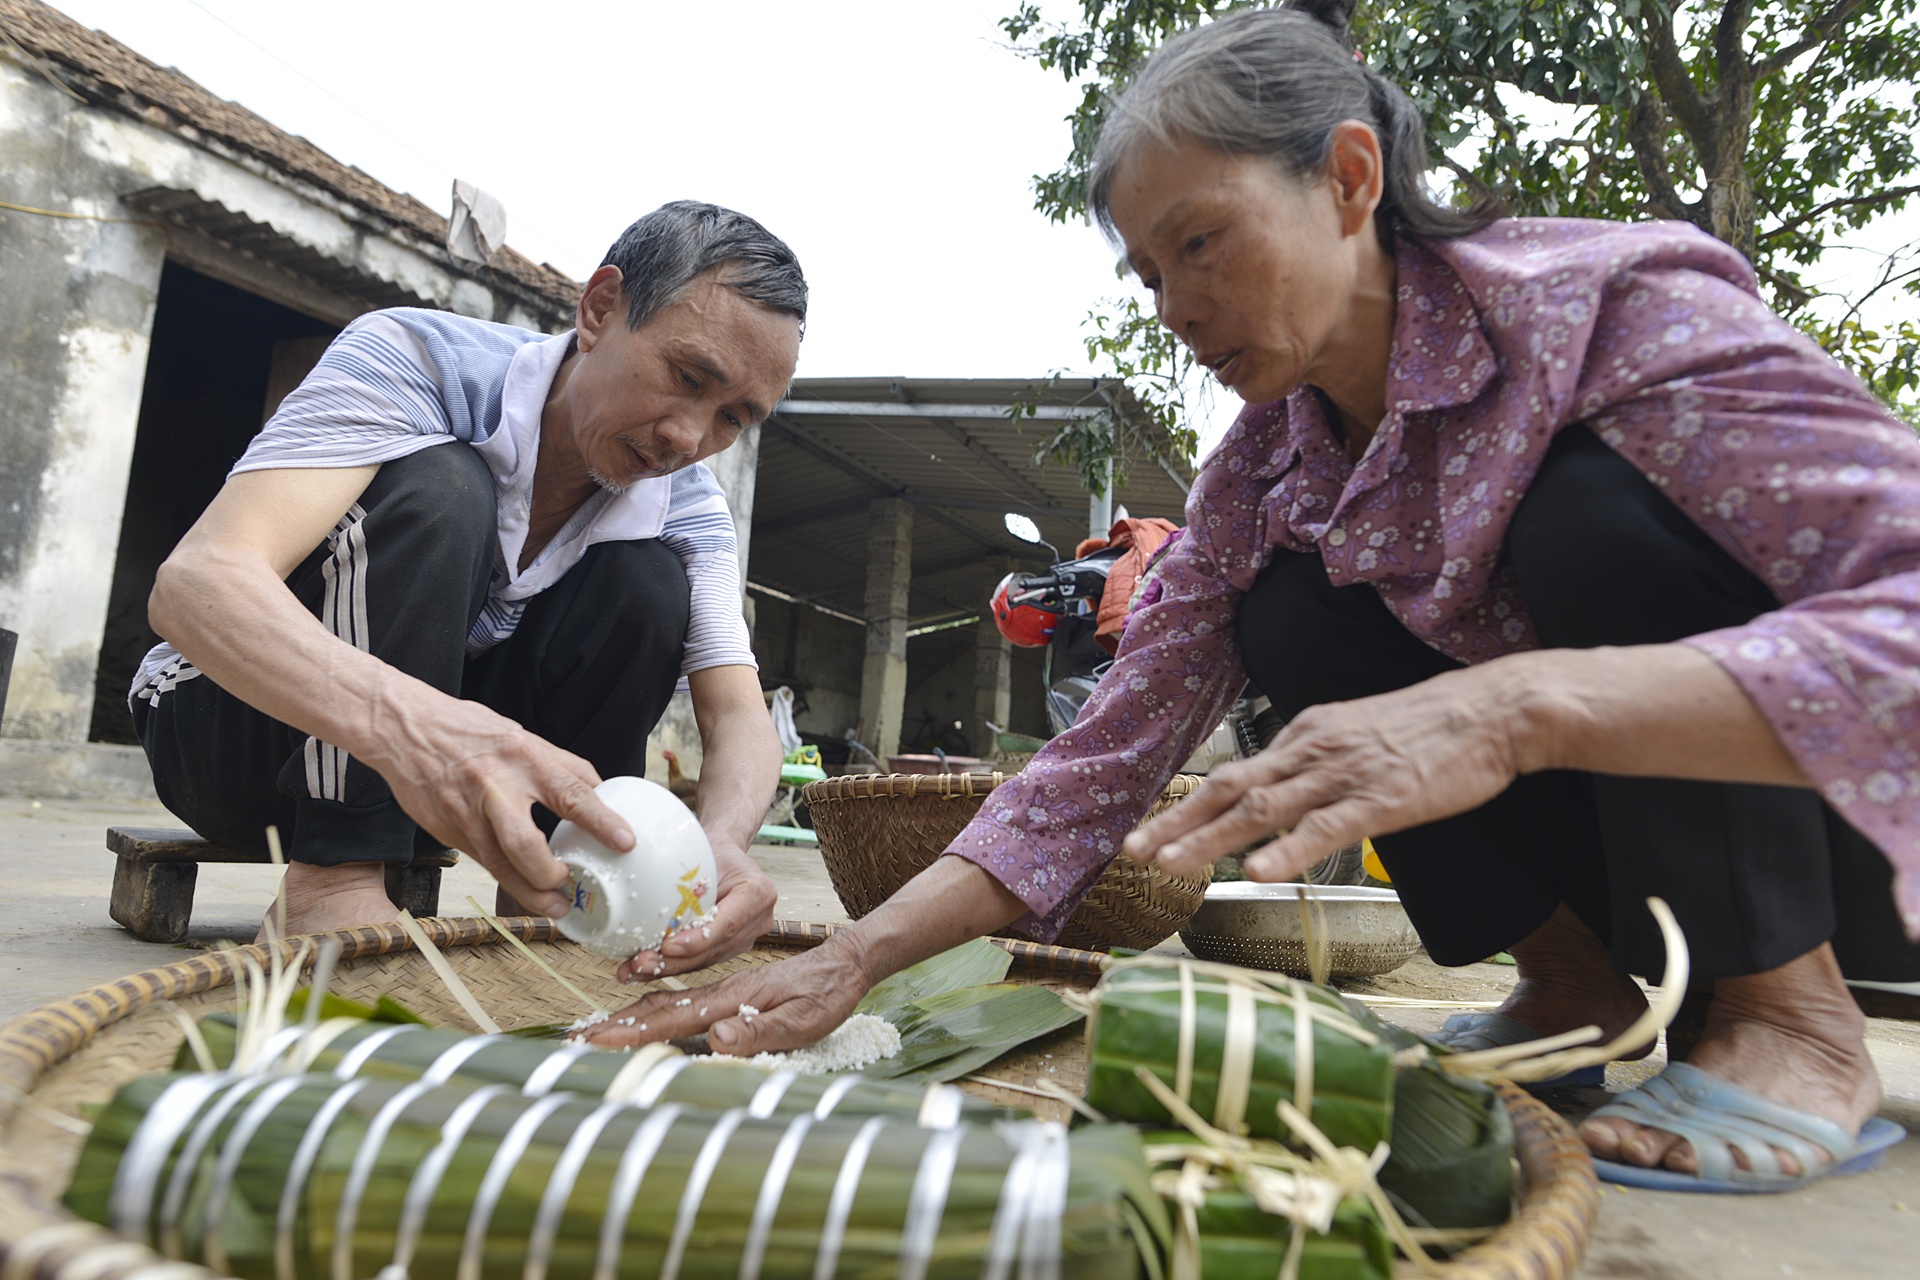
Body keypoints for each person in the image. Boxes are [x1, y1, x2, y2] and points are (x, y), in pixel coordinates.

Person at [584, 7, 1920, 1187]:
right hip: (1623, 878)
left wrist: (1513, 709)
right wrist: (853, 957)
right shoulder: (1268, 469)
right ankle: (1573, 984)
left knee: (1594, 513)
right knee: (1291, 606)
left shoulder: (1611, 313)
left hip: (1836, 830)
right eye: (1150, 274)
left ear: (1349, 178)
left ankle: (1791, 1020)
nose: (1176, 306)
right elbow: (1099, 765)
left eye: (1202, 242)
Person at [134, 200, 800, 975]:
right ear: (600, 309)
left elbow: (737, 713)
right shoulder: (416, 360)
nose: (688, 437)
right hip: (229, 738)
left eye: (732, 419)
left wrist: (719, 846)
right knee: (445, 488)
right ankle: (334, 879)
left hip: (446, 798)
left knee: (646, 584)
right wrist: (424, 731)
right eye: (686, 377)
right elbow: (196, 585)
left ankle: (556, 902)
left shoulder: (684, 503)